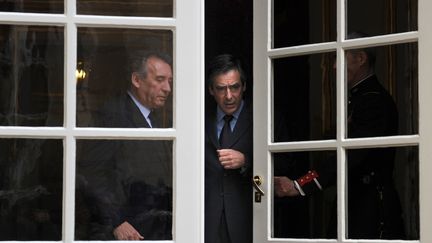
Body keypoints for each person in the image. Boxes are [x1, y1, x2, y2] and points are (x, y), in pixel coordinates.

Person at [274, 32, 405, 239]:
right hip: (356, 204)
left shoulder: (373, 102)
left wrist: (300, 185)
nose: (334, 67)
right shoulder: (362, 98)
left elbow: (349, 157)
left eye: (339, 58)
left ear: (360, 59)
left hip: (370, 210)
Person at [76, 51, 173, 240]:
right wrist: (116, 221)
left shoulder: (153, 118)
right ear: (137, 80)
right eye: (160, 79)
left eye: (170, 81)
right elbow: (91, 172)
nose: (167, 88)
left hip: (154, 227)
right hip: (127, 231)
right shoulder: (113, 115)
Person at [205, 54, 253, 243]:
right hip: (206, 220)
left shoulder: (264, 117)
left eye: (234, 87)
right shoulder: (199, 118)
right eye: (221, 89)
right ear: (211, 90)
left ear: (244, 86)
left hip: (248, 219)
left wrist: (246, 161)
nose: (229, 96)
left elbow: (283, 163)